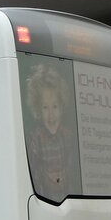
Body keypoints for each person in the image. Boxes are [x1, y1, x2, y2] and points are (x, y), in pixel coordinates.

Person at [24, 63, 79, 202]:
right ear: (38, 110)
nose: (51, 115)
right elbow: (34, 175)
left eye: (54, 106)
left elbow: (73, 173)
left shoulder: (68, 136)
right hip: (45, 202)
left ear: (61, 106)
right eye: (45, 108)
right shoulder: (35, 139)